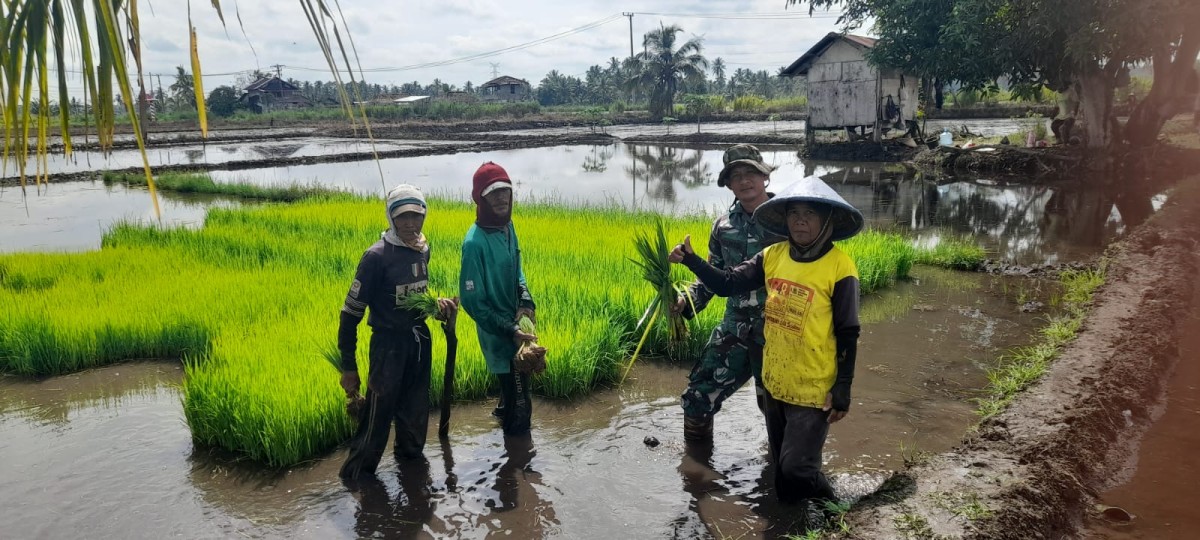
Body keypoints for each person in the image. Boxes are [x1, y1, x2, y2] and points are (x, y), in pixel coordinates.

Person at [669, 175, 864, 508]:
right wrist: (691, 259)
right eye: (794, 214)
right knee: (780, 469)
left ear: (827, 221)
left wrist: (843, 385)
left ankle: (834, 504)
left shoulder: (840, 267)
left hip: (814, 385)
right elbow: (728, 282)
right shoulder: (773, 255)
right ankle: (808, 519)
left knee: (795, 470)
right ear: (784, 220)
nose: (800, 221)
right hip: (775, 378)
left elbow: (848, 330)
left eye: (810, 214)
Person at [337, 184, 458, 481]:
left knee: (416, 411)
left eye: (416, 216)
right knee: (377, 418)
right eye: (402, 216)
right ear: (391, 217)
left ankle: (412, 472)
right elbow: (350, 314)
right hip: (388, 347)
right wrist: (348, 366)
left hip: (419, 343)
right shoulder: (376, 257)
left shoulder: (422, 249)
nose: (410, 223)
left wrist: (435, 306)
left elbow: (414, 295)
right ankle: (357, 478)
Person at [673, 143, 786, 443]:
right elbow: (715, 278)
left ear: (765, 177)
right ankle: (696, 475)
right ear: (728, 184)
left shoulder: (787, 220)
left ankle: (783, 476)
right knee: (697, 397)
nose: (745, 180)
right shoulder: (722, 227)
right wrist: (685, 302)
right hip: (735, 327)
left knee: (777, 409)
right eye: (736, 176)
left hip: (780, 330)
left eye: (751, 172)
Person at [460, 162, 537, 436]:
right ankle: (516, 466)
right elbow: (472, 301)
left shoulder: (508, 227)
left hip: (514, 324)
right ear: (480, 198)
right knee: (521, 402)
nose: (502, 198)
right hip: (497, 333)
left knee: (511, 391)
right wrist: (508, 328)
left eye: (505, 191)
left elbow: (518, 269)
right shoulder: (474, 244)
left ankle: (502, 424)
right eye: (493, 193)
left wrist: (526, 300)